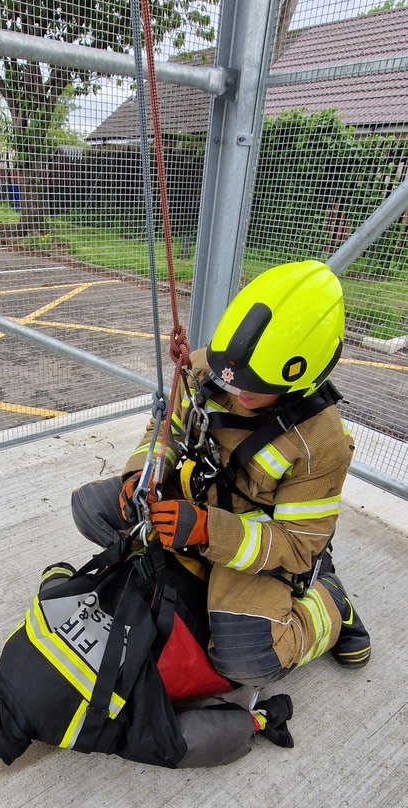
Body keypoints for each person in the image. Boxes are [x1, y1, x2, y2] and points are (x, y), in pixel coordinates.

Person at [71, 260, 370, 755]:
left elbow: (296, 546)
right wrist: (141, 476)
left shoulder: (322, 443)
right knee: (93, 509)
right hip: (197, 512)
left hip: (255, 546)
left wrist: (209, 531)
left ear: (303, 374)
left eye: (252, 386)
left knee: (247, 658)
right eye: (231, 376)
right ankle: (194, 585)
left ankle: (330, 603)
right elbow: (164, 429)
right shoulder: (221, 367)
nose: (234, 390)